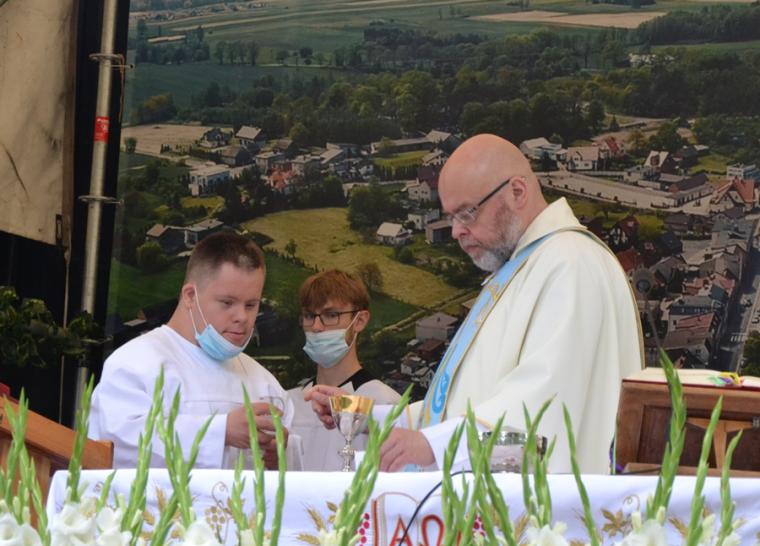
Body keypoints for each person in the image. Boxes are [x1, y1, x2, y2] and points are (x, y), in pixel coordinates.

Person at [306, 134, 643, 474]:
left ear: (517, 192)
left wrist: (432, 445)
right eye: (451, 216)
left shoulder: (570, 264)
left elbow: (542, 411)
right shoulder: (522, 269)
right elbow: (458, 408)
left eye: (466, 213)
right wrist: (366, 415)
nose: (455, 231)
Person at [89, 232, 293, 469]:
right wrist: (219, 432)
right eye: (227, 302)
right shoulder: (135, 364)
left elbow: (293, 476)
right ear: (190, 296)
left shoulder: (265, 384)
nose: (242, 317)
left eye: (251, 305)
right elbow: (115, 446)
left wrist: (277, 458)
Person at [288, 270, 400, 471]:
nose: (316, 326)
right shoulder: (289, 404)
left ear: (359, 321)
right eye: (309, 316)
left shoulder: (384, 403)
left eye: (331, 315)